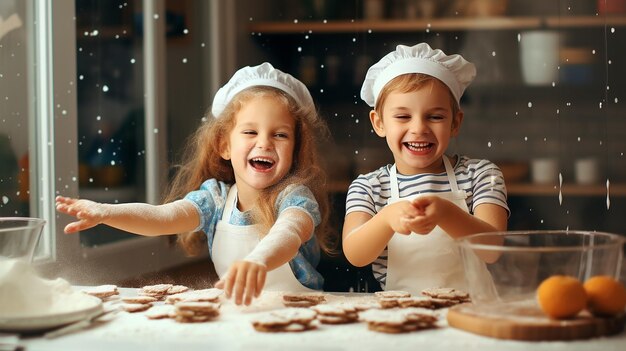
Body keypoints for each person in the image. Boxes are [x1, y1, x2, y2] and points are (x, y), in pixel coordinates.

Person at [56, 62, 332, 305]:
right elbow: (162, 217)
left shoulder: (294, 198)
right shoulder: (215, 198)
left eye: (280, 135)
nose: (264, 142)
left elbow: (289, 231)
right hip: (241, 316)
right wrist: (106, 213)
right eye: (250, 131)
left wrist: (258, 260)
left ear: (295, 150)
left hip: (301, 312)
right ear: (224, 145)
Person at [342, 43, 509, 294]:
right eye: (402, 116)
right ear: (378, 123)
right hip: (400, 315)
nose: (419, 128)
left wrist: (445, 213)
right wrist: (387, 218)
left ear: (455, 123)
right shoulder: (369, 187)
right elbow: (356, 254)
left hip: (469, 312)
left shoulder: (481, 175)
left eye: (435, 116)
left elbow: (492, 249)